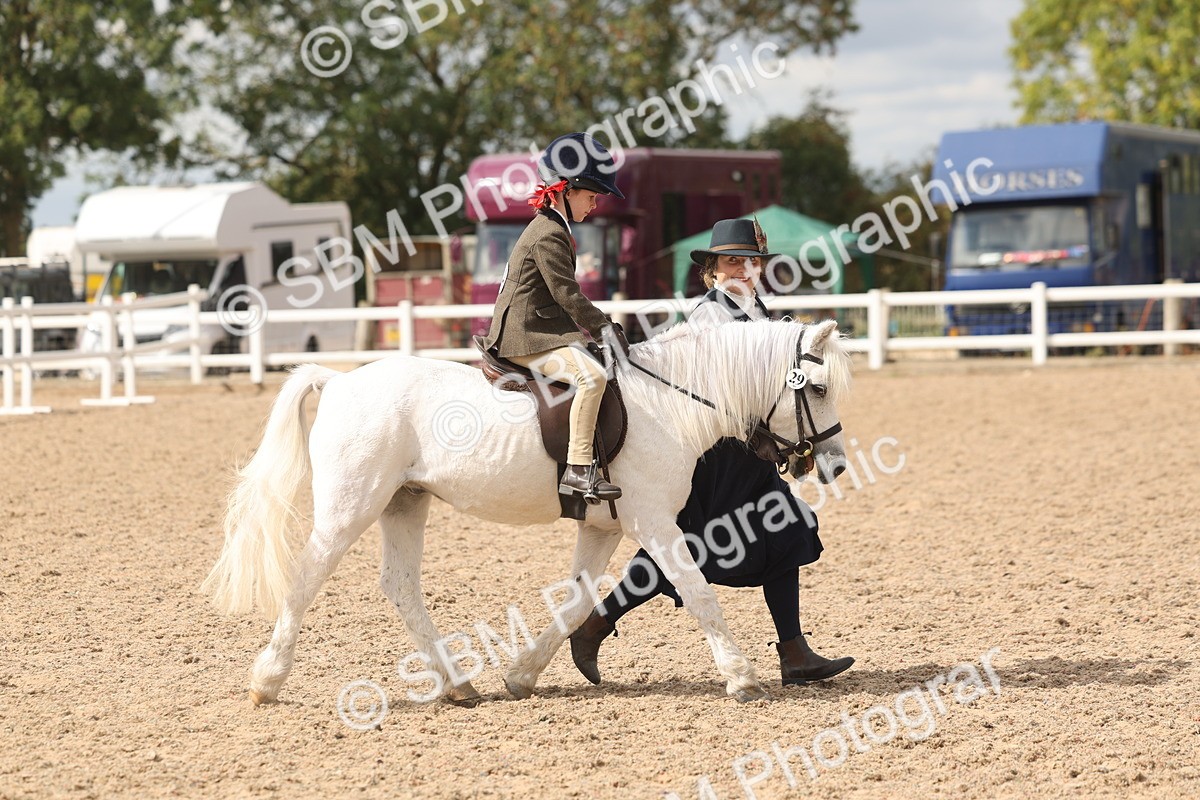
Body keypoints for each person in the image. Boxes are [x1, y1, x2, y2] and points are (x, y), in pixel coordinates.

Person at [569, 217, 855, 687]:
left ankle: (794, 651)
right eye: (732, 261)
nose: (743, 269)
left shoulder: (764, 313)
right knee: (684, 548)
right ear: (713, 270)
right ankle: (596, 624)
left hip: (754, 455)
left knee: (783, 531)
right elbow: (717, 395)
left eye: (751, 261)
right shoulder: (709, 318)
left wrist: (791, 442)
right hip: (716, 456)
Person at [481, 132, 630, 501]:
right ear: (566, 190)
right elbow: (567, 294)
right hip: (524, 335)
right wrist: (604, 328)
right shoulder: (548, 234)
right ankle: (579, 470)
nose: (594, 205)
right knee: (592, 377)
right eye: (592, 196)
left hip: (538, 328)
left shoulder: (553, 228)